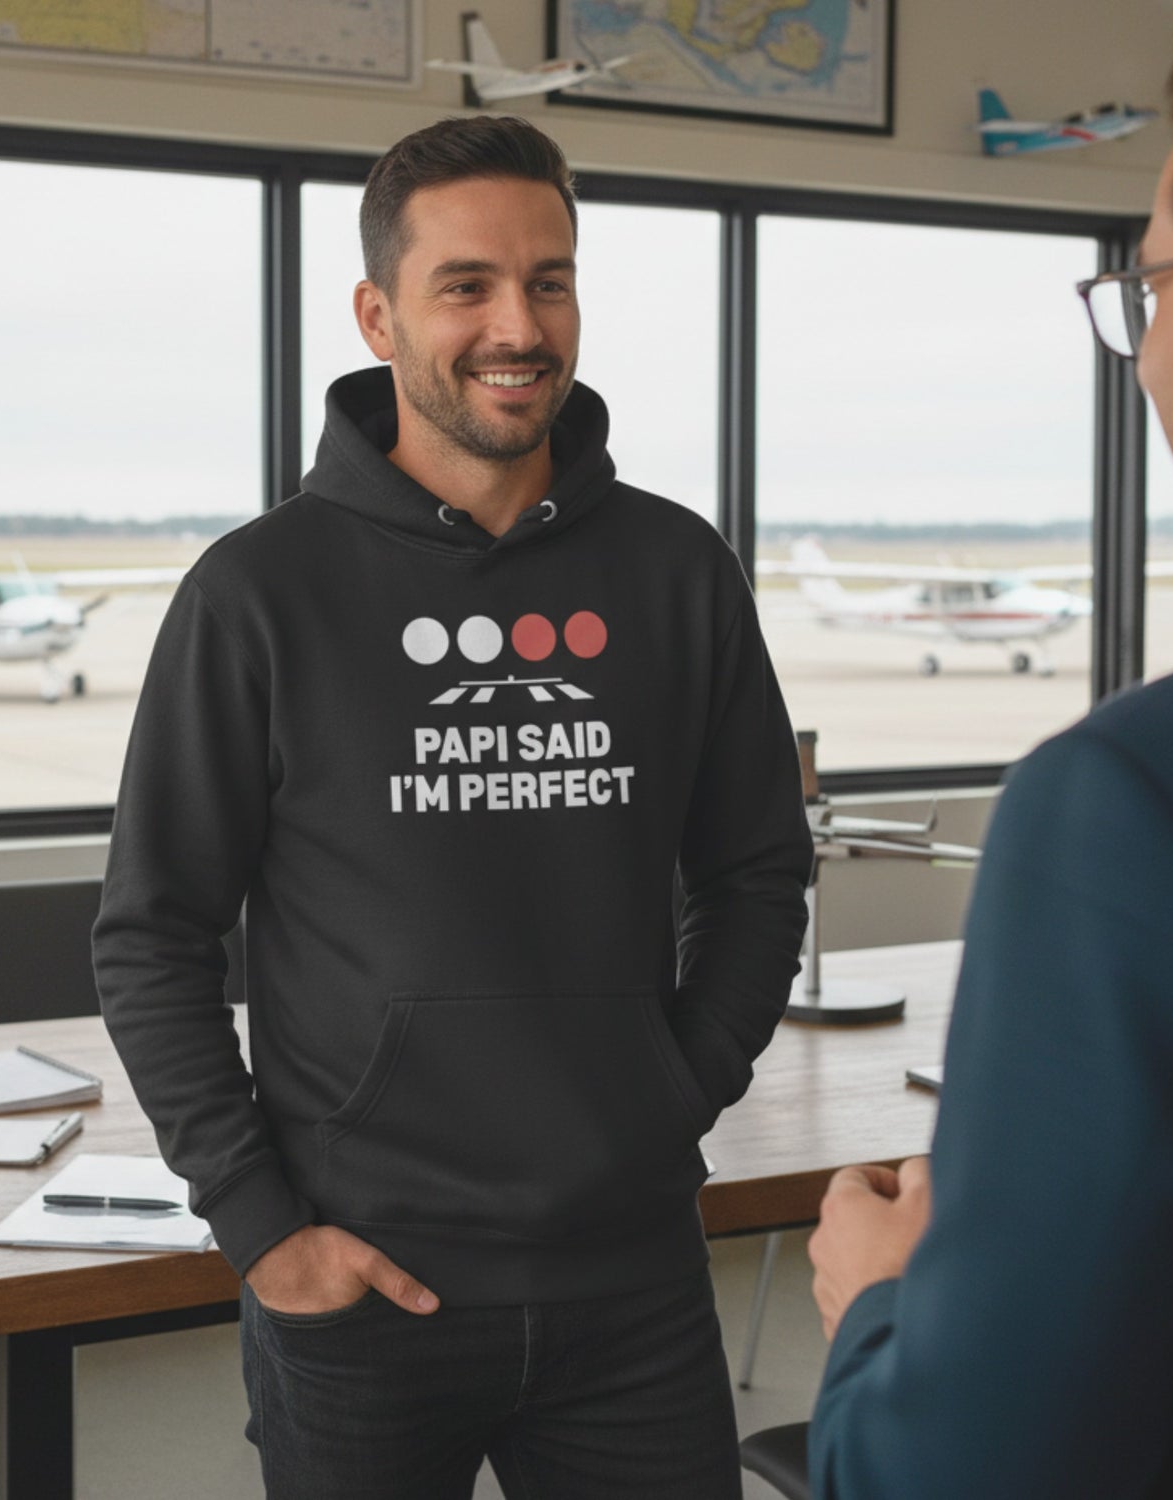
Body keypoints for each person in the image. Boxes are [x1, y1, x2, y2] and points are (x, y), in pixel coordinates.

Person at [94, 115, 812, 1498]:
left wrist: (674, 1090)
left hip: (635, 1277)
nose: (517, 326)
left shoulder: (678, 571)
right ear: (379, 317)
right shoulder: (257, 594)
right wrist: (260, 1226)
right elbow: (150, 934)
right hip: (361, 1283)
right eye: (466, 285)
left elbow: (758, 873)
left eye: (550, 282)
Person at [806, 16, 1173, 1498]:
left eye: (1150, 288)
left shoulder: (1134, 807)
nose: (1142, 349)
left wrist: (880, 1304)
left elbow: (961, 1474)